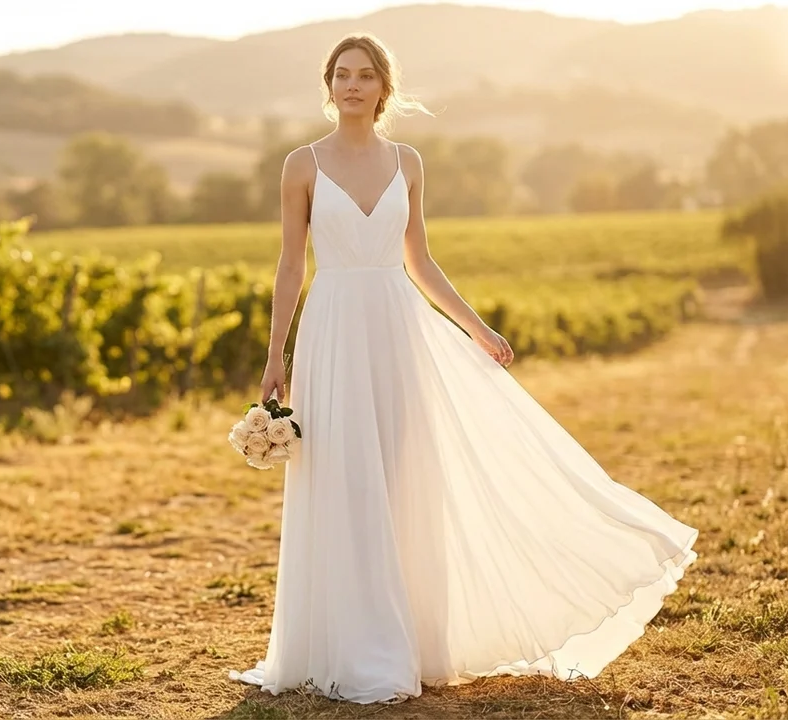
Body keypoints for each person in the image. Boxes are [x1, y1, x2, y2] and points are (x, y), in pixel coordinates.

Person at [228, 32, 698, 704]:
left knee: (402, 477)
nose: (353, 85)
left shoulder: (409, 161)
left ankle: (410, 642)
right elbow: (289, 265)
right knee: (342, 478)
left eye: (365, 75)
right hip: (331, 326)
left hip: (396, 328)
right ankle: (350, 646)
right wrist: (277, 354)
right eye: (341, 75)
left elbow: (419, 260)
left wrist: (476, 327)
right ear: (327, 86)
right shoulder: (300, 165)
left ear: (383, 87)